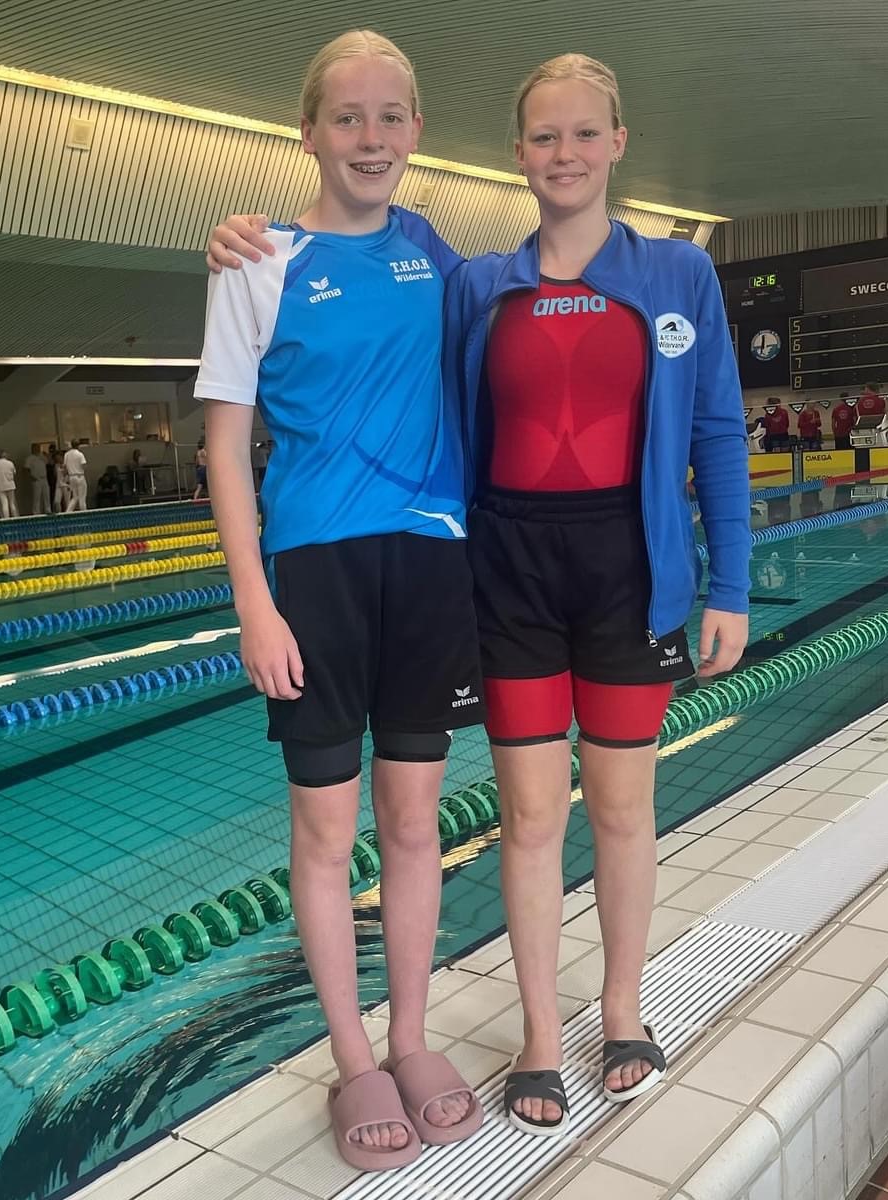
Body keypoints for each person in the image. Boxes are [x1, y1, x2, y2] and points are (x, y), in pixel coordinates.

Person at [209, 49, 750, 1136]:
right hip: (471, 572)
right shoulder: (450, 279)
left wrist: (730, 577)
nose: (565, 153)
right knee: (509, 818)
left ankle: (600, 1015)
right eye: (545, 136)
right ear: (518, 154)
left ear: (618, 142)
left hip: (582, 569)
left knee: (588, 810)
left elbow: (716, 428)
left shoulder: (636, 272)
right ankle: (502, 1041)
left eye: (585, 133)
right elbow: (251, 422)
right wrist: (234, 235)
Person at [195, 30, 485, 1172]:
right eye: (349, 117)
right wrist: (254, 605)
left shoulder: (434, 253)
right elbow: (225, 449)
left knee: (413, 824)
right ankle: (353, 1055)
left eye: (391, 116)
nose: (372, 137)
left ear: (417, 130)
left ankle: (411, 1038)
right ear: (308, 132)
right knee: (326, 832)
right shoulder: (256, 261)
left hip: (430, 563)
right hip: (313, 574)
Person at [0, 449, 18, 517]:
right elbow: (14, 473)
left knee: (4, 504)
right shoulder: (10, 463)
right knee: (12, 503)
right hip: (10, 485)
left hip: (0, 485)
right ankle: (15, 517)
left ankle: (6, 518)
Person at [25, 447, 51, 514]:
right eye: (36, 448)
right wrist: (31, 477)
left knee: (46, 495)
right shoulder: (29, 458)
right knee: (37, 496)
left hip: (44, 478)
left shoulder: (42, 457)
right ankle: (36, 512)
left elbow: (49, 462)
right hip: (36, 479)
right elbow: (26, 469)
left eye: (38, 448)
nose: (38, 450)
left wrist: (46, 455)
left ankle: (48, 510)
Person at [63, 441, 88, 511]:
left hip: (71, 477)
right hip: (79, 476)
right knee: (82, 498)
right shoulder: (80, 454)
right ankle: (84, 513)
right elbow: (84, 466)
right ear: (78, 446)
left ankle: (68, 512)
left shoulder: (66, 454)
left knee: (75, 497)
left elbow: (65, 468)